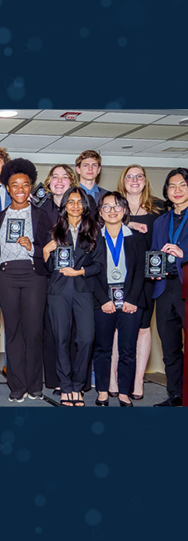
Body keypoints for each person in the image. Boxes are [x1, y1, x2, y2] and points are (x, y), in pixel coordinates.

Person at [0, 159, 51, 402]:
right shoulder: (0, 215)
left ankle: (35, 384)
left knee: (34, 332)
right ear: (7, 187)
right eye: (14, 184)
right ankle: (16, 386)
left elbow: (50, 248)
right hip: (6, 276)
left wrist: (33, 247)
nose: (19, 189)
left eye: (25, 185)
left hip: (33, 275)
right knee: (13, 332)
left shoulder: (41, 215)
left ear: (30, 187)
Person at [43, 187, 103, 406]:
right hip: (58, 292)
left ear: (85, 206)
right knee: (61, 339)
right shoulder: (54, 231)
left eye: (79, 202)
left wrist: (80, 271)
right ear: (64, 206)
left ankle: (79, 385)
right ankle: (66, 386)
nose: (75, 206)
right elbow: (49, 267)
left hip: (83, 290)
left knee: (86, 338)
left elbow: (99, 265)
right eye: (71, 202)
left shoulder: (95, 231)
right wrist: (45, 253)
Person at [115, 164, 166, 400]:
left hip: (147, 276)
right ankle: (113, 380)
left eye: (139, 176)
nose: (134, 180)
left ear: (145, 181)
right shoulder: (114, 206)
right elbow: (100, 230)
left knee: (143, 329)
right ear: (123, 180)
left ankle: (137, 381)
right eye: (130, 176)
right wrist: (128, 224)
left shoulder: (158, 208)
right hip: (117, 276)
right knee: (116, 329)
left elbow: (165, 240)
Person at [92, 192, 145, 407]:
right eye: (107, 207)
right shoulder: (94, 239)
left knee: (128, 349)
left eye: (117, 207)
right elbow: (91, 272)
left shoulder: (137, 237)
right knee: (102, 348)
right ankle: (103, 391)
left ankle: (124, 392)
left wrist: (132, 299)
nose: (112, 211)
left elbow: (141, 271)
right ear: (100, 212)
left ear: (124, 210)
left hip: (131, 299)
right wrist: (103, 299)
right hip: (102, 300)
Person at [151, 168, 188, 407]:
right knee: (170, 347)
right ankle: (176, 395)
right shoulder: (160, 221)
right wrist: (154, 270)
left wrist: (184, 254)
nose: (177, 190)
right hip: (165, 290)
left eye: (183, 185)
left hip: (187, 286)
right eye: (172, 186)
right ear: (166, 190)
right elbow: (154, 253)